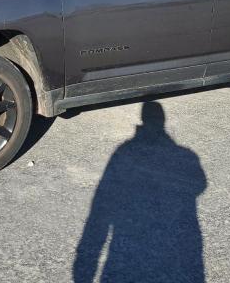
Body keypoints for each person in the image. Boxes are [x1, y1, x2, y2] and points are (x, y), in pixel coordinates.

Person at [73, 101, 207, 283]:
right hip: (175, 248)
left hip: (125, 246)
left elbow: (101, 205)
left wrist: (83, 273)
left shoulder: (124, 151)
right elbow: (200, 184)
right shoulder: (185, 154)